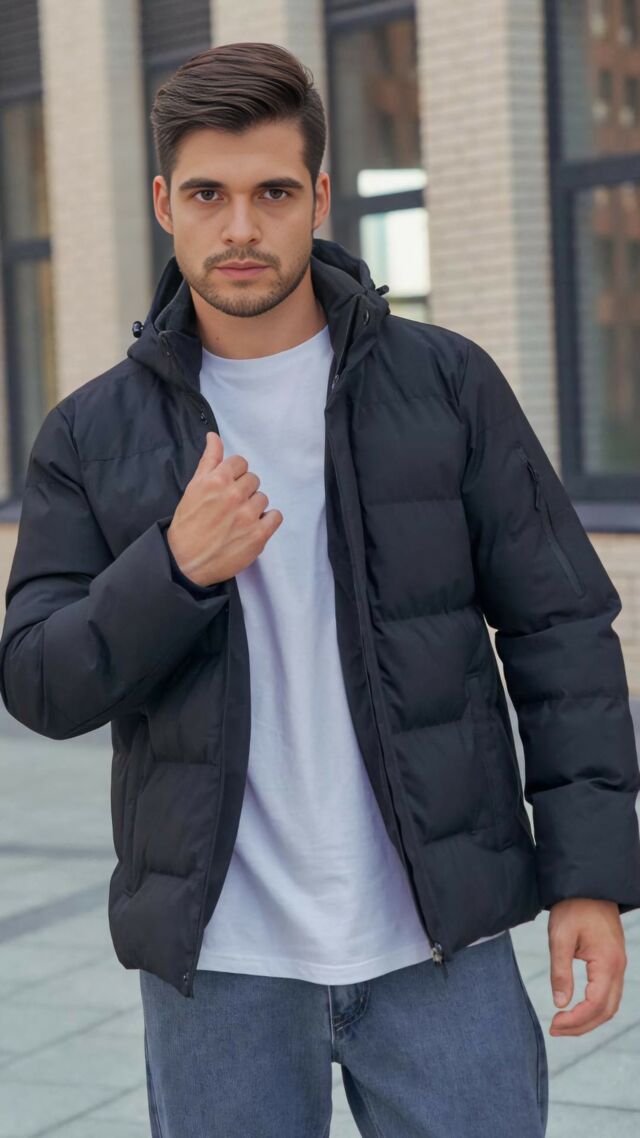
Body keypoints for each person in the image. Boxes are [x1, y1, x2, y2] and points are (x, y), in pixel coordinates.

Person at [1, 40, 639, 1138]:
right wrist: (173, 569)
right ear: (163, 203)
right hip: (220, 969)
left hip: (439, 945)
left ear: (320, 197)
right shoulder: (91, 432)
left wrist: (587, 876)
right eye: (208, 194)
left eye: (273, 193)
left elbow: (561, 631)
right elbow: (37, 681)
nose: (240, 227)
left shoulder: (446, 384)